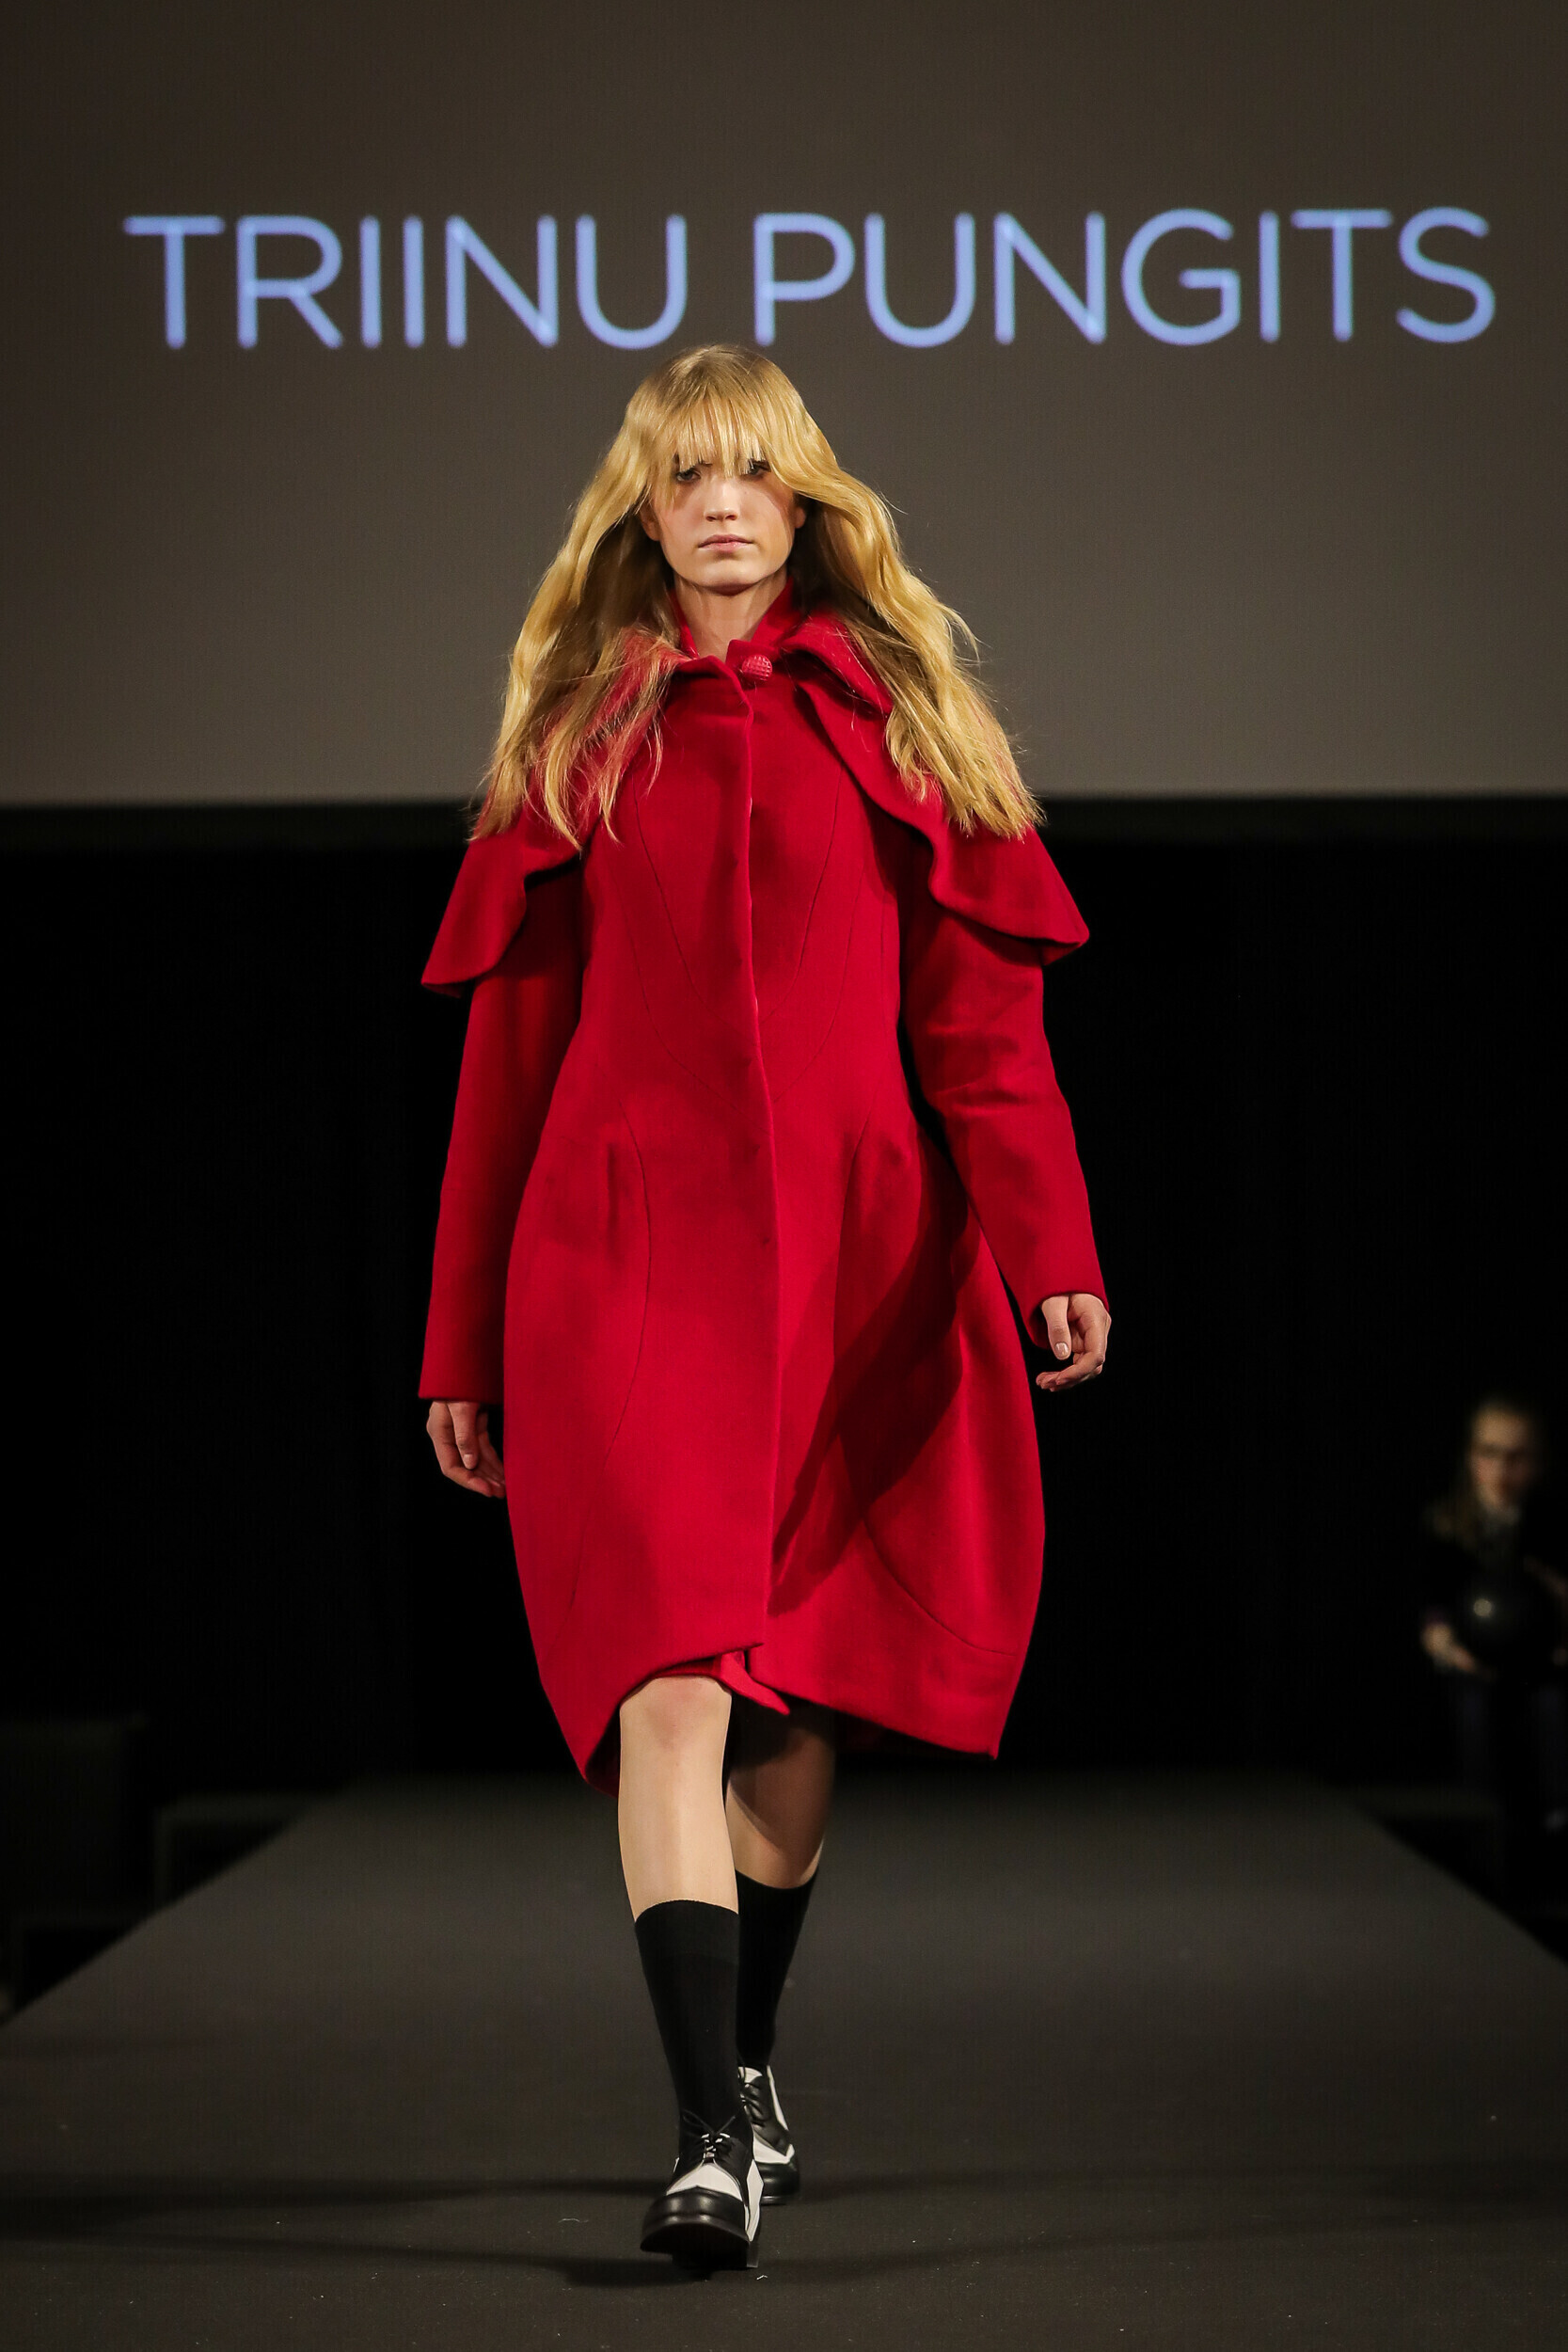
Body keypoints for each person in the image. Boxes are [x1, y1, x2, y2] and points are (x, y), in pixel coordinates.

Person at [419, 346, 1109, 2267]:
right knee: (665, 1679)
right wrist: (456, 1341)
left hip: (850, 1263)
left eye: (752, 471)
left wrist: (1047, 1244)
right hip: (621, 1259)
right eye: (685, 475)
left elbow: (979, 1029)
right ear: (640, 512)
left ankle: (748, 2050)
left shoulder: (900, 722)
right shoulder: (577, 742)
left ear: (804, 499)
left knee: (789, 1712)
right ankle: (707, 2132)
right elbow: (505, 1063)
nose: (720, 503)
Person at [1417, 1395, 1568, 1845]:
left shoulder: (1551, 1525)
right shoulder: (1445, 1524)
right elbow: (1432, 1608)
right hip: (1470, 1659)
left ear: (1536, 1464)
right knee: (1474, 1708)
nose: (1502, 1469)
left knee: (1552, 1706)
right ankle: (1482, 1824)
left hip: (1540, 1661)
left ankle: (1557, 1822)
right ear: (1471, 1458)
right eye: (1490, 1453)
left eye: (1517, 1457)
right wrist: (1448, 1646)